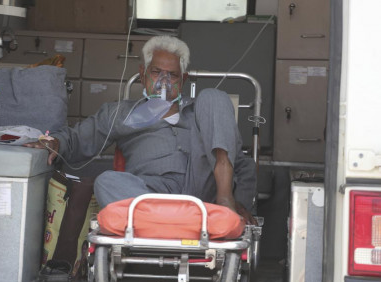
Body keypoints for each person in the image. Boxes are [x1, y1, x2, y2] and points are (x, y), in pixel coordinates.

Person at [24, 36, 257, 224]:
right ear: (143, 74)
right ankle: (179, 219)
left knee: (214, 95)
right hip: (150, 193)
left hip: (205, 190)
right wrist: (56, 142)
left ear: (183, 79)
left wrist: (241, 201)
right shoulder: (121, 113)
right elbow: (78, 139)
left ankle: (223, 203)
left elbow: (241, 163)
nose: (164, 81)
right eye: (156, 72)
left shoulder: (201, 110)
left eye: (172, 75)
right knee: (106, 181)